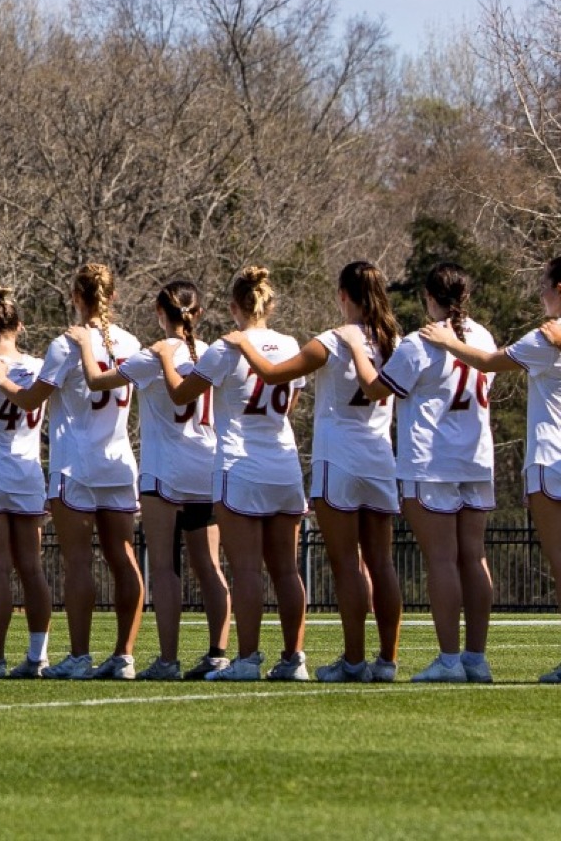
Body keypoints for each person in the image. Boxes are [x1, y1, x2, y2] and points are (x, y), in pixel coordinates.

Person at [226, 262, 402, 683]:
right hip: (380, 457)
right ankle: (388, 661)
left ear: (344, 295)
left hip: (339, 458)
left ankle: (354, 662)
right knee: (382, 564)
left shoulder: (334, 340)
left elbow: (271, 374)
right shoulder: (395, 339)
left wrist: (243, 344)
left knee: (347, 565)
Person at [0, 264, 145, 679]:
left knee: (78, 563)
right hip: (119, 461)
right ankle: (124, 655)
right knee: (124, 559)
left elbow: (31, 399)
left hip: (76, 465)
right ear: (114, 297)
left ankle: (78, 656)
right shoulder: (131, 342)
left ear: (76, 297)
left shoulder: (67, 344)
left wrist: (1, 381)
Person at [72, 281, 231, 681]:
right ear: (199, 314)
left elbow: (97, 381)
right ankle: (218, 654)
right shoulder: (214, 352)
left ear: (162, 313)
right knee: (210, 566)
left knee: (164, 566)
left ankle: (168, 660)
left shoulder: (154, 355)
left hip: (166, 470)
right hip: (207, 465)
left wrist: (85, 344)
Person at [416, 256, 561, 683]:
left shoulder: (544, 338)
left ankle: (454, 659)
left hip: (550, 459)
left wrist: (445, 340)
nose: (540, 294)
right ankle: (475, 658)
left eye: (546, 286)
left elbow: (486, 361)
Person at [163, 267, 309, 682]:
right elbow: (291, 402)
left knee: (246, 569)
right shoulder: (289, 343)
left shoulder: (228, 347)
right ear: (270, 304)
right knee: (286, 569)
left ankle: (247, 659)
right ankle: (294, 658)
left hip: (241, 464)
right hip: (284, 463)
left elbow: (180, 394)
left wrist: (162, 359)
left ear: (232, 308)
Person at [356, 262, 497, 683]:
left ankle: (450, 660)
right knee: (474, 558)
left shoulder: (420, 342)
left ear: (429, 298)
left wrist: (359, 355)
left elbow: (376, 389)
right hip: (475, 457)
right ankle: (476, 658)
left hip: (431, 460)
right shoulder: (483, 335)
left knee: (441, 561)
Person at [0, 288, 56, 677]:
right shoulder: (42, 368)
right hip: (27, 473)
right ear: (20, 326)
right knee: (32, 569)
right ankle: (38, 656)